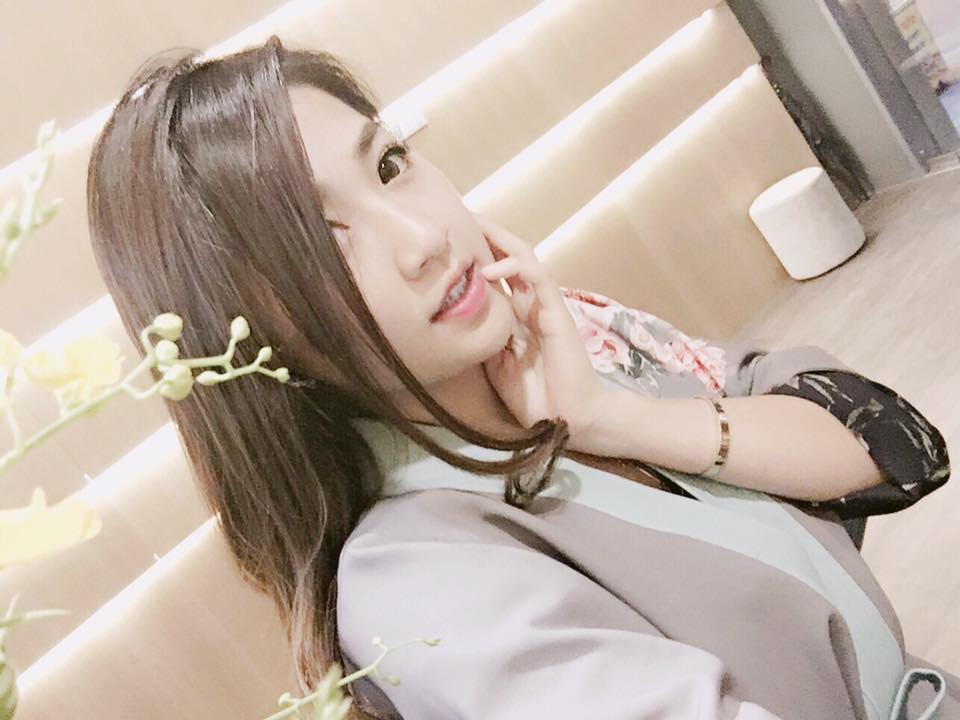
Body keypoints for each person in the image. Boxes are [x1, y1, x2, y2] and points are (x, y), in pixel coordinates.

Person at [86, 35, 955, 719]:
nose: (423, 238)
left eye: (389, 164)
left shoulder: (576, 341)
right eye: (323, 245)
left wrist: (610, 418)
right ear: (251, 341)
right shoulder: (420, 581)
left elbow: (895, 446)